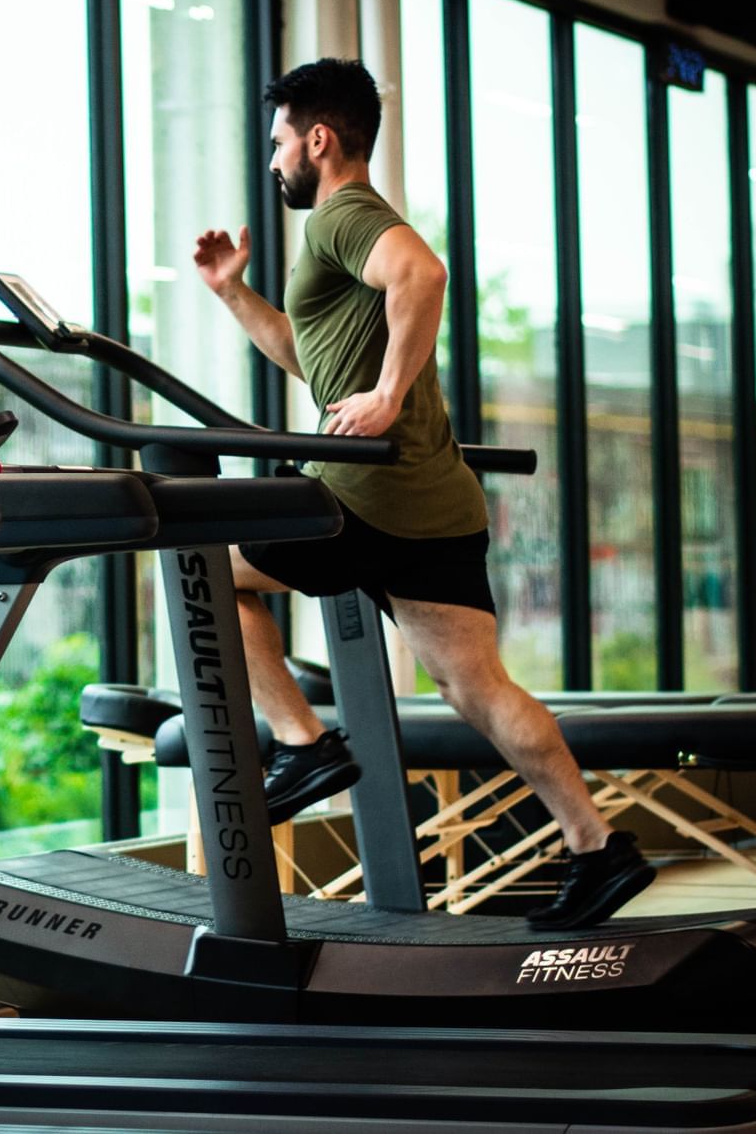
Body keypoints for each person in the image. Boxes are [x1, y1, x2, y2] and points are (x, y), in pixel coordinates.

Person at [192, 57, 652, 931]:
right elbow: (311, 357)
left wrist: (389, 396)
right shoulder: (344, 232)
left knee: (203, 566)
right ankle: (596, 846)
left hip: (361, 493)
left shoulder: (345, 216)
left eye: (279, 142)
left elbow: (424, 276)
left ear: (316, 139)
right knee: (477, 687)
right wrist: (233, 293)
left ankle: (303, 745)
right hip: (434, 501)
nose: (273, 160)